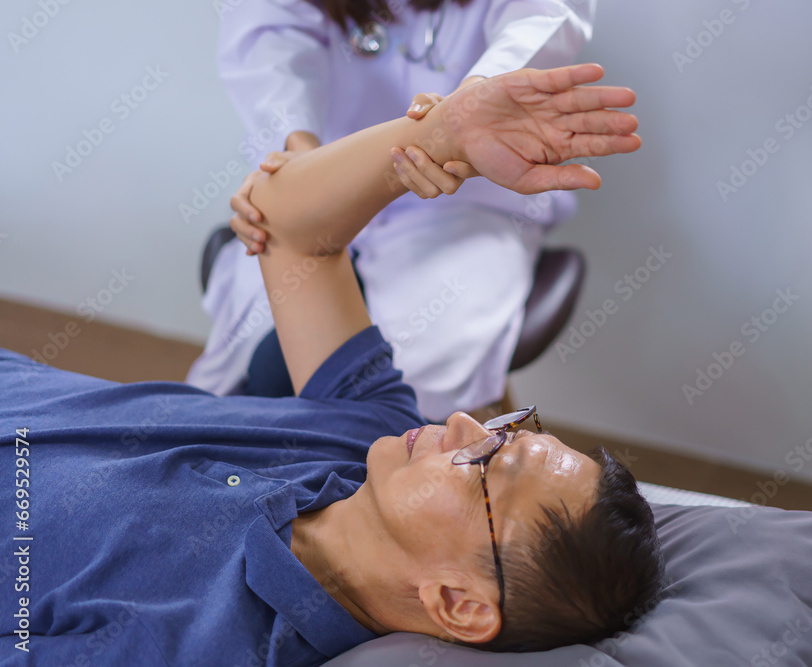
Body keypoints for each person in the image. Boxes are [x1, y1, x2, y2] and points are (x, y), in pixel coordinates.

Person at [0, 65, 661, 665]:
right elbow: (288, 228)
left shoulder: (200, 645)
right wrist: (441, 134)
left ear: (458, 603)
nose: (464, 421)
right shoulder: (360, 437)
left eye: (488, 463)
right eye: (508, 430)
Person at [189, 0, 597, 420]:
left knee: (415, 373)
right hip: (331, 175)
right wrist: (305, 170)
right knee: (253, 365)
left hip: (468, 203)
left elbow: (542, 17)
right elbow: (269, 39)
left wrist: (466, 114)